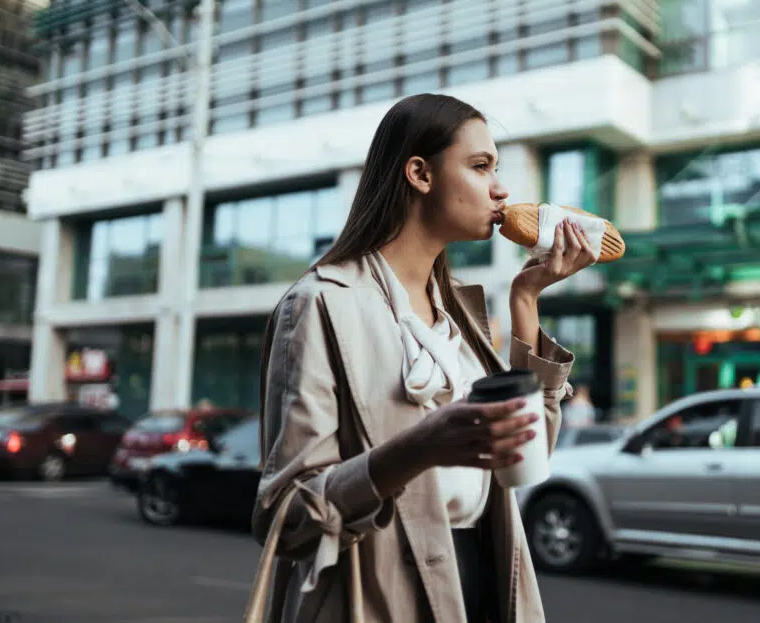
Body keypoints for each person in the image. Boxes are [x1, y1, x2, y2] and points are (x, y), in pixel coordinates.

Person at [253, 93, 598, 623]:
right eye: (481, 166)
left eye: (496, 168)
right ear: (420, 173)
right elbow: (288, 517)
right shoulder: (320, 305)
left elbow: (521, 464)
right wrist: (420, 447)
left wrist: (526, 301)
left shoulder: (459, 316)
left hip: (485, 580)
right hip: (376, 592)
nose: (501, 189)